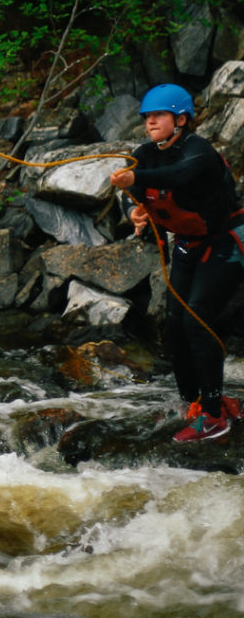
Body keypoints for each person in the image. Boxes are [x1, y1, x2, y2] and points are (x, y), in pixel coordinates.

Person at [109, 83, 244, 443]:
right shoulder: (144, 155)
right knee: (172, 323)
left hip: (226, 241)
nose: (150, 122)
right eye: (147, 117)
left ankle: (215, 416)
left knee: (197, 318)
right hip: (188, 243)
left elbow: (182, 176)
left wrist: (136, 178)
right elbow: (130, 195)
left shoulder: (200, 152)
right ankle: (194, 402)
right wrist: (133, 210)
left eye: (159, 115)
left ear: (181, 119)